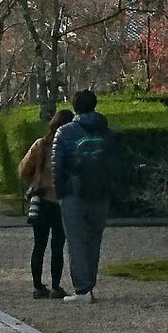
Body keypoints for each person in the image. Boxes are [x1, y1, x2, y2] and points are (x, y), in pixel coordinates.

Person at [52, 89, 114, 304]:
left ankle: (82, 289)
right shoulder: (106, 131)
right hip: (100, 192)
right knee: (94, 240)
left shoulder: (65, 132)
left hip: (74, 192)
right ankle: (90, 284)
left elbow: (57, 166)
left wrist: (59, 192)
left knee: (76, 240)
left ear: (75, 106)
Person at [19, 109, 73, 300]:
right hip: (61, 200)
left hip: (41, 198)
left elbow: (24, 169)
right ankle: (56, 286)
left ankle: (37, 286)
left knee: (39, 245)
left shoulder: (40, 145)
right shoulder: (71, 146)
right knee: (58, 245)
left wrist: (35, 182)